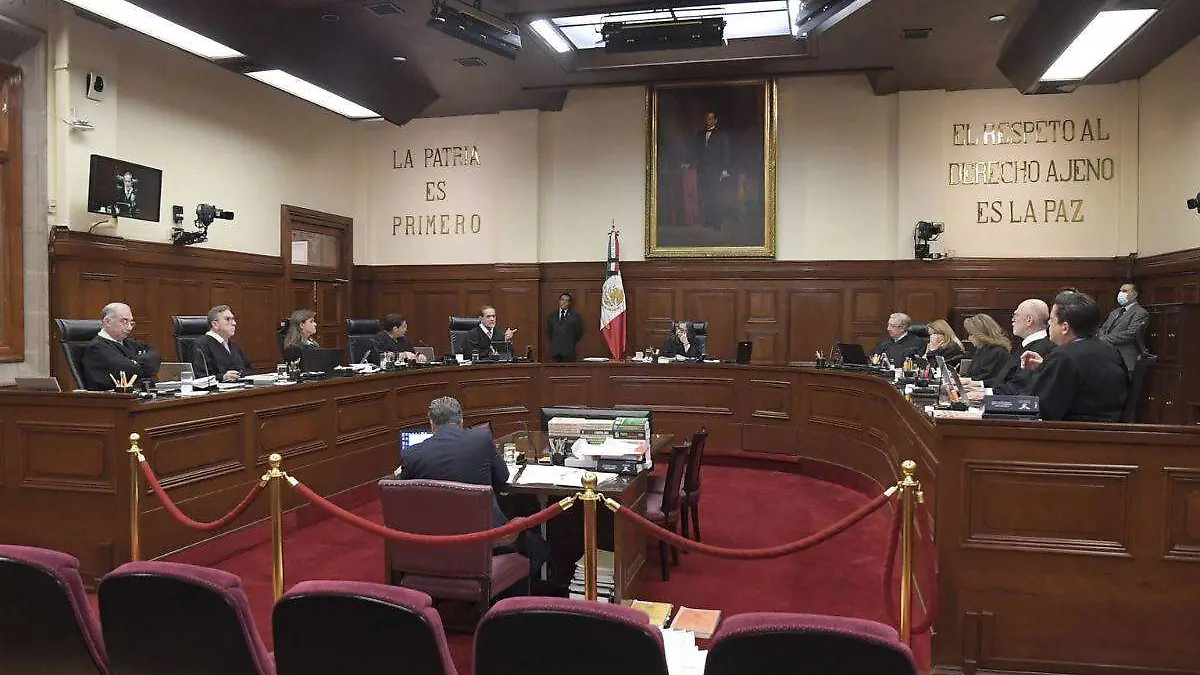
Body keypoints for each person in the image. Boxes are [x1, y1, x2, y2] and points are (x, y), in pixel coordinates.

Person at [397, 396, 548, 578]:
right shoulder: (481, 439)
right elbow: (503, 477)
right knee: (539, 547)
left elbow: (402, 498)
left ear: (431, 424)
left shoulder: (412, 454)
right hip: (485, 540)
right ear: (461, 420)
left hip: (435, 545)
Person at [1020, 291, 1129, 422]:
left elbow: (1042, 409)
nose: (1049, 324)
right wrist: (1046, 366)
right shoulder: (1110, 350)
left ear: (1065, 328)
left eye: (1052, 320)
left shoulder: (1063, 357)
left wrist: (1051, 367)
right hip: (1109, 429)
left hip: (1072, 430)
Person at [80, 302, 162, 391]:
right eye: (124, 321)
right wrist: (143, 363)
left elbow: (155, 355)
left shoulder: (130, 343)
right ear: (107, 322)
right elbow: (129, 371)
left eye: (131, 323)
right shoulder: (96, 348)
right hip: (111, 397)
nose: (129, 328)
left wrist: (136, 362)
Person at [992, 299, 1054, 395]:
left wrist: (987, 393)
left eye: (1016, 315)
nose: (1013, 319)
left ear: (1029, 320)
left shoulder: (1039, 349)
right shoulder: (1029, 345)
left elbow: (1020, 385)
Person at [682, 111, 731, 230]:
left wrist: (724, 169)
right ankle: (709, 220)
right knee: (706, 194)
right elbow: (695, 151)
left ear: (715, 120)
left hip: (716, 169)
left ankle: (717, 222)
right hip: (703, 169)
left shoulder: (722, 135)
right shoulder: (700, 135)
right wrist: (688, 163)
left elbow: (726, 152)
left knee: (716, 195)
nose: (708, 121)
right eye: (706, 118)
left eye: (710, 118)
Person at [1099, 282, 1149, 377]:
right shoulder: (1115, 312)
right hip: (1108, 359)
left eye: (1125, 291)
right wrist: (1101, 336)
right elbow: (1104, 328)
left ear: (1135, 294)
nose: (1121, 293)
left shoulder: (1140, 313)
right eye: (1120, 291)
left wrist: (1103, 338)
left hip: (1125, 361)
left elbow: (1130, 334)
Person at [191, 304, 253, 381]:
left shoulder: (234, 346)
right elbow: (200, 377)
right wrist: (222, 377)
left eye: (233, 319)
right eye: (228, 319)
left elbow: (248, 371)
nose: (234, 323)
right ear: (215, 324)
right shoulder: (200, 345)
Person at [962, 314, 1011, 385]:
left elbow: (988, 380)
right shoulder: (981, 350)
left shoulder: (998, 352)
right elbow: (973, 375)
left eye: (971, 334)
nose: (969, 338)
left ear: (981, 334)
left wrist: (968, 381)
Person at [545, 293, 584, 362]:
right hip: (555, 351)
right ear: (559, 301)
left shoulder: (575, 316)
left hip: (568, 351)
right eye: (562, 300)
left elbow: (578, 332)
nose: (564, 302)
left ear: (569, 303)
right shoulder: (552, 315)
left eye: (566, 301)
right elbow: (549, 331)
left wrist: (570, 341)